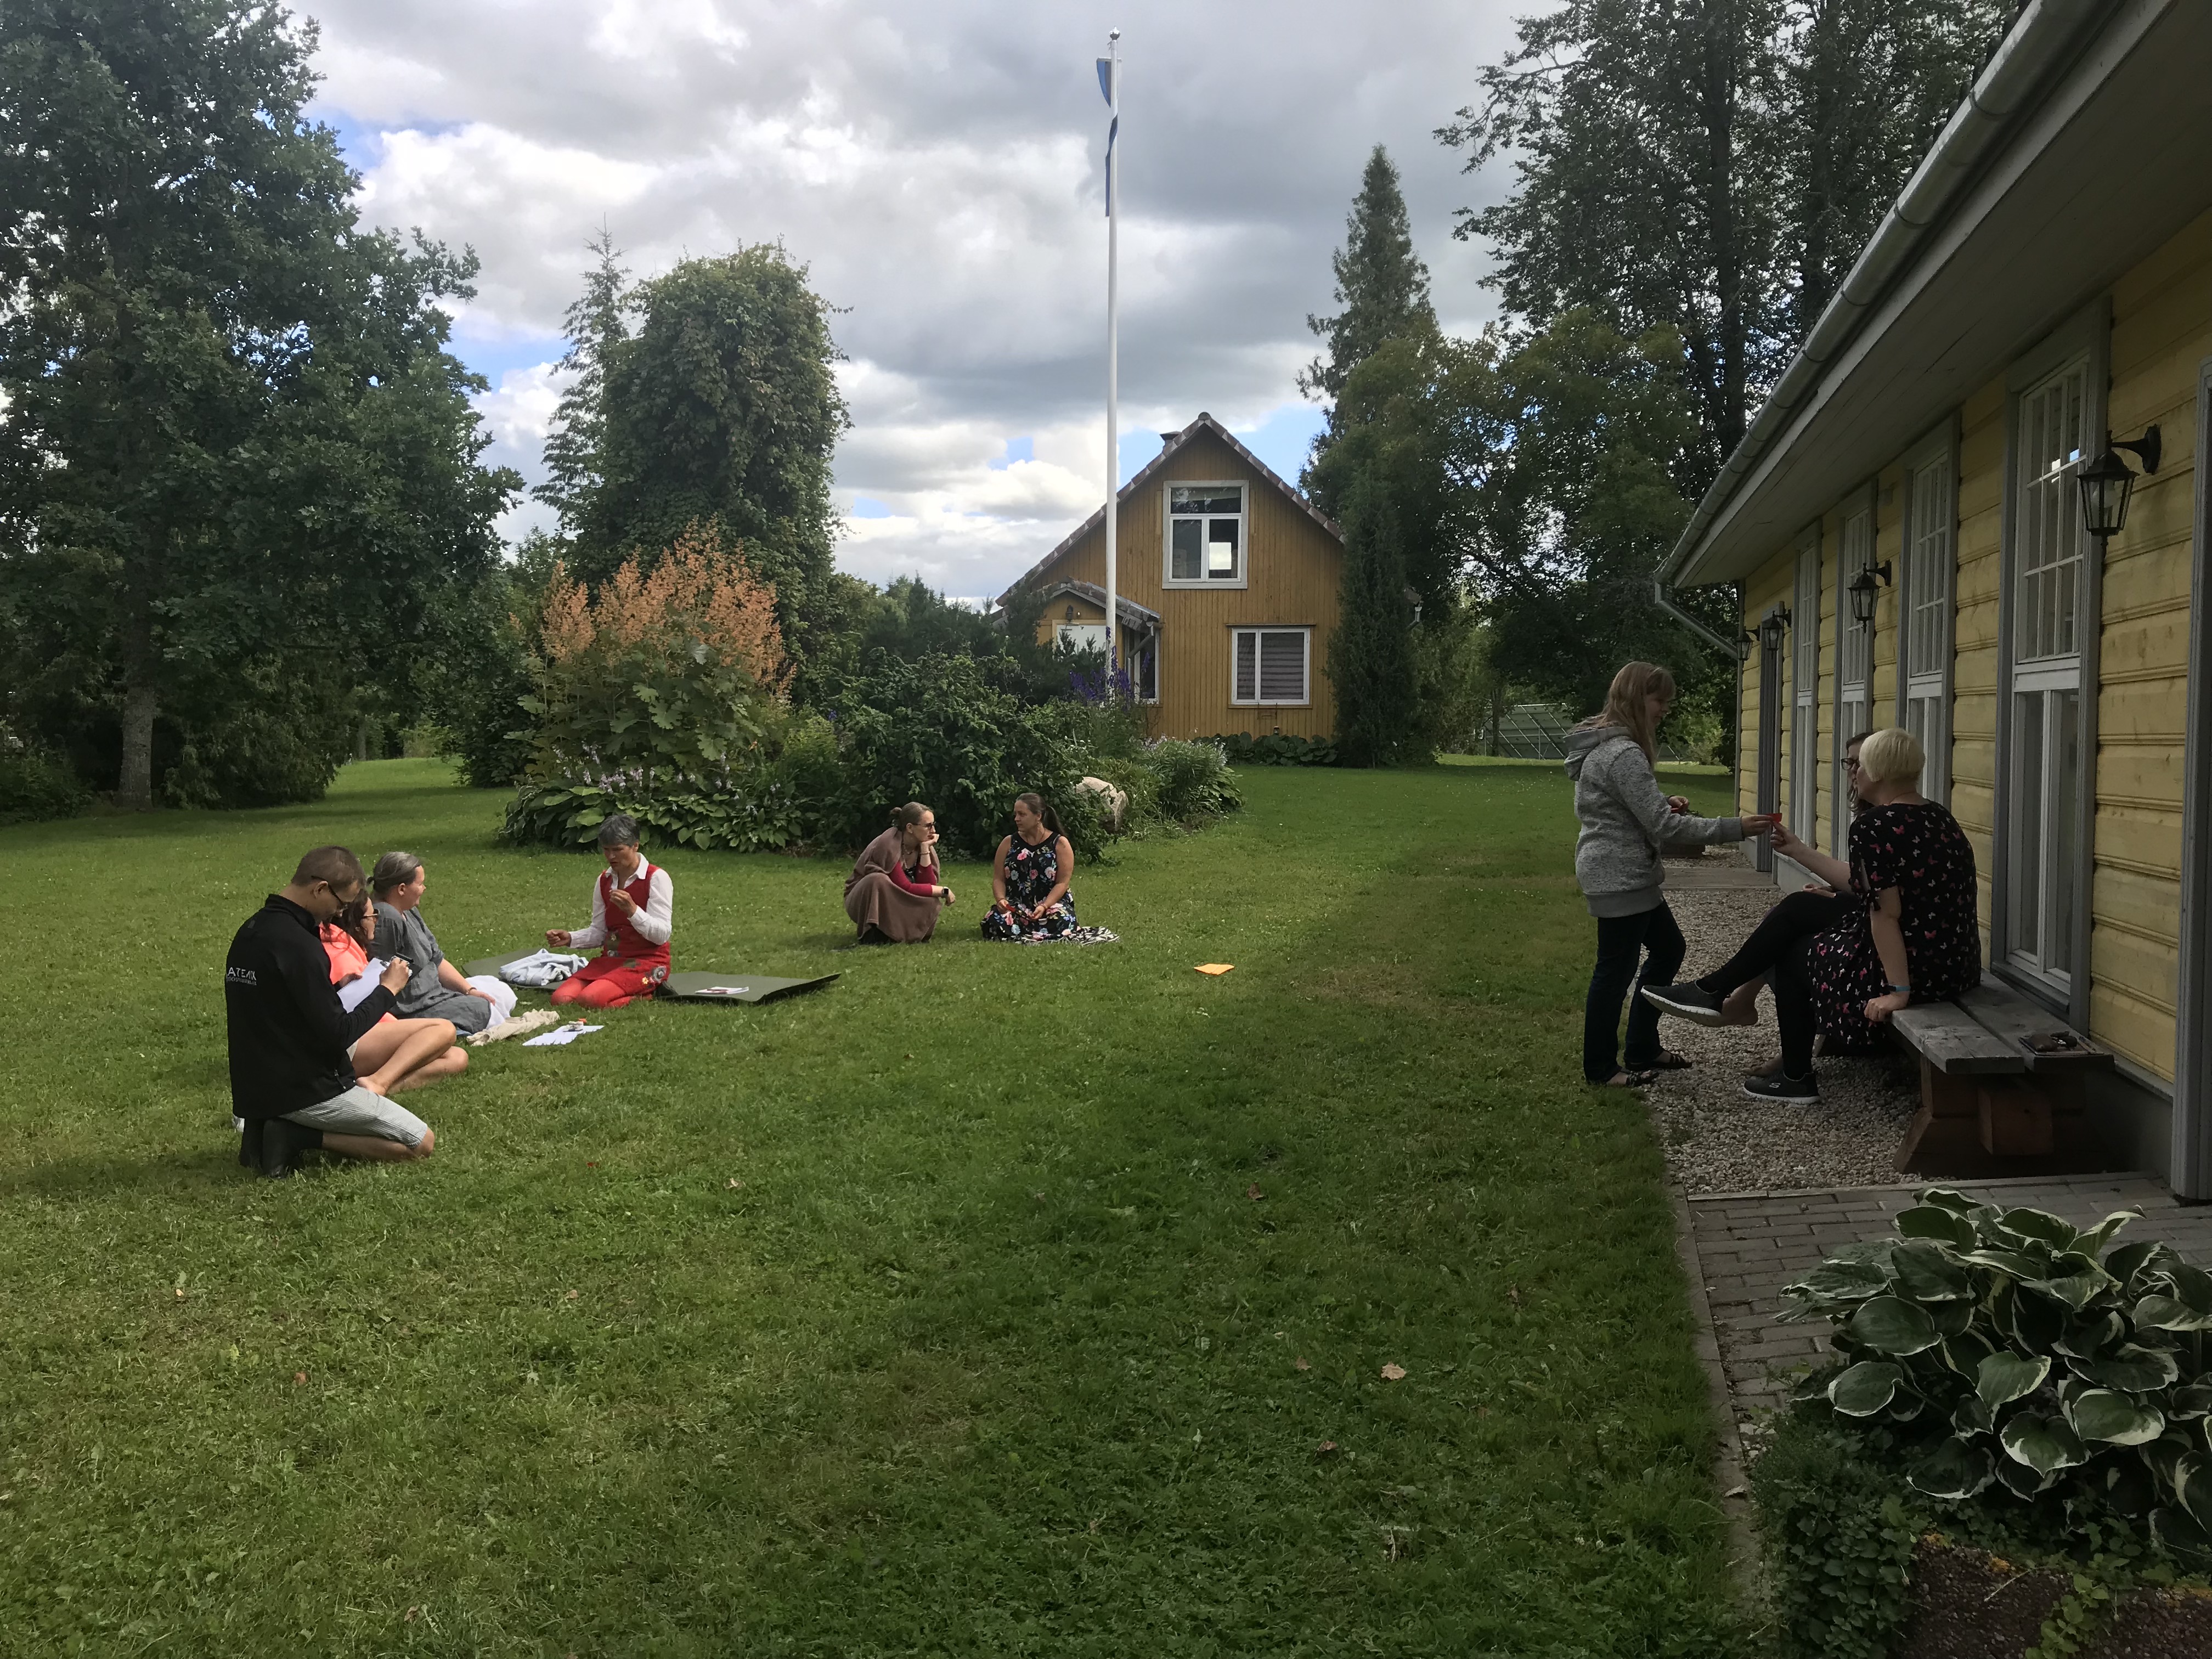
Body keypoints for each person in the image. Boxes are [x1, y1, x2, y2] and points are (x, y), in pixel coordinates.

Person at [1641, 727, 1980, 1104]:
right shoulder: (1938, 816)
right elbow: (1883, 890)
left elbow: (1886, 914)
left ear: (1879, 771)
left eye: (1860, 765)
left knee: (1794, 952)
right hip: (1953, 966)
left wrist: (1898, 993)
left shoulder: (1874, 825)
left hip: (1914, 971)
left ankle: (1793, 1074)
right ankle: (1716, 994)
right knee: (1801, 907)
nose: (1854, 773)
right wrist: (1805, 858)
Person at [1565, 662, 1776, 1088]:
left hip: (1625, 873)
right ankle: (1601, 1069)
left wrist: (1659, 801)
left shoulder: (1609, 748)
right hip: (1619, 877)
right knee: (1615, 972)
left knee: (1669, 948)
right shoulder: (1623, 753)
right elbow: (1666, 829)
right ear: (1635, 698)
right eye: (1659, 700)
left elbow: (1624, 807)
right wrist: (1736, 828)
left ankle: (1642, 1046)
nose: (1664, 709)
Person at [224, 845, 437, 1178]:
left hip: (255, 1087)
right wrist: (387, 991)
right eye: (341, 904)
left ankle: (266, 1126)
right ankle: (295, 1135)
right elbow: (340, 1034)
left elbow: (278, 1006)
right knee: (420, 1143)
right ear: (320, 888)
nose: (339, 913)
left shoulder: (251, 930)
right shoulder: (300, 944)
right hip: (302, 1090)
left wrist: (333, 990)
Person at [1709, 731, 1872, 1031]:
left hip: (1892, 937)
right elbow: (1870, 879)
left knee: (1792, 926)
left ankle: (1725, 993)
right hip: (1877, 919)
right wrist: (1831, 890)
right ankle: (1738, 1000)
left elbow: (1884, 895)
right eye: (1849, 762)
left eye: (1859, 763)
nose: (1852, 771)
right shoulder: (1872, 814)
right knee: (1792, 916)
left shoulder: (1883, 820)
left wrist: (1836, 896)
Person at [321, 896, 469, 1094]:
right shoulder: (342, 954)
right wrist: (389, 987)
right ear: (357, 925)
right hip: (350, 1041)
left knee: (457, 1057)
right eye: (372, 916)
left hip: (365, 1034)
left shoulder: (349, 948)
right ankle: (379, 1082)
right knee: (443, 1029)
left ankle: (378, 1087)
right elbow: (354, 1014)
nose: (377, 920)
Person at [371, 853, 517, 1035]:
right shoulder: (386, 919)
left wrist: (469, 990)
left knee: (500, 991)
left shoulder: (409, 910)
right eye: (420, 884)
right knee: (485, 1009)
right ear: (402, 889)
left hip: (435, 992)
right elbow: (382, 978)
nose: (424, 888)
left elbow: (436, 959)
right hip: (414, 1006)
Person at [545, 814, 674, 1008]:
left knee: (591, 1000)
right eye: (606, 850)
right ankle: (618, 990)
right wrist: (571, 938)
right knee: (561, 999)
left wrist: (633, 911)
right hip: (613, 960)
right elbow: (599, 932)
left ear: (635, 846)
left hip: (647, 962)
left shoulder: (656, 878)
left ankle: (649, 992)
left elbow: (662, 936)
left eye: (618, 850)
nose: (611, 856)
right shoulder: (604, 880)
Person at [982, 793, 1117, 943]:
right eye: (1016, 814)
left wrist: (1044, 906)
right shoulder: (1009, 842)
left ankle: (1031, 930)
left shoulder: (1060, 843)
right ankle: (1030, 930)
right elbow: (998, 879)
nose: (1016, 819)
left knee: (1063, 919)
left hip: (1051, 905)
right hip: (1018, 906)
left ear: (1038, 816)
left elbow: (1062, 883)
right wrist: (1001, 900)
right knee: (994, 919)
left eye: (1022, 814)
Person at [845, 802, 956, 943]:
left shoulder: (923, 844)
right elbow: (904, 886)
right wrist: (943, 891)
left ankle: (899, 935)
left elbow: (928, 884)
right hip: (863, 900)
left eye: (933, 825)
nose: (933, 831)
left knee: (930, 898)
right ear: (910, 828)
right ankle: (872, 933)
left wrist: (925, 849)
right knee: (878, 879)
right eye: (928, 826)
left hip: (893, 897)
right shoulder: (889, 845)